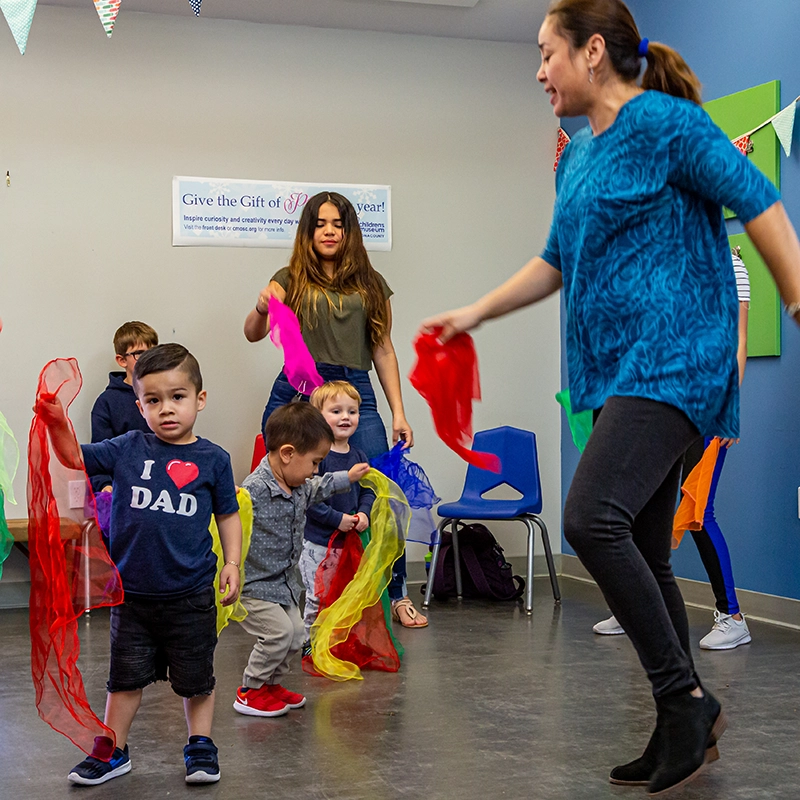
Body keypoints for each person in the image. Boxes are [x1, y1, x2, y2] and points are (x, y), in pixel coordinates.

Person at [420, 0, 800, 793]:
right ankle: (686, 720)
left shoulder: (666, 125)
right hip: (626, 373)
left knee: (589, 517)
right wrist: (474, 313)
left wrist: (796, 298)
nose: (538, 70)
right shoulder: (584, 156)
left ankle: (682, 699)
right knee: (649, 549)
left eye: (546, 52)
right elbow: (554, 260)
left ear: (593, 52)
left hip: (678, 362)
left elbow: (758, 196)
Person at [38, 343, 243, 785]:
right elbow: (74, 456)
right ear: (139, 405)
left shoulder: (214, 460)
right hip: (131, 596)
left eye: (177, 397)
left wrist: (233, 563)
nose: (166, 409)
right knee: (123, 680)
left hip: (189, 597)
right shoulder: (127, 447)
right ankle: (114, 749)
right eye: (153, 400)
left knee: (196, 679)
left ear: (199, 399)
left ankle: (200, 745)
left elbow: (227, 514)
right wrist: (58, 423)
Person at [243, 191, 427, 628]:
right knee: (276, 487)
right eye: (320, 224)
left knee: (381, 490)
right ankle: (270, 595)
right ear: (308, 232)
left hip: (352, 382)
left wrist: (398, 412)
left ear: (349, 231)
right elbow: (253, 333)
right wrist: (260, 304)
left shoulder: (371, 284)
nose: (329, 231)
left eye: (337, 224)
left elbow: (382, 348)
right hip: (298, 386)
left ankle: (395, 593)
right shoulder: (288, 277)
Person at [594, 249, 753, 650]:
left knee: (698, 511)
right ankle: (636, 605)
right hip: (664, 404)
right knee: (641, 511)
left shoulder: (730, 264)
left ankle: (732, 616)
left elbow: (738, 340)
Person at [233, 402, 370, 718]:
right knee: (278, 633)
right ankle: (250, 690)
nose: (315, 470)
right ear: (287, 453)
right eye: (314, 462)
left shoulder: (299, 484)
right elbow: (229, 517)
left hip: (284, 585)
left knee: (296, 635)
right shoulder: (255, 489)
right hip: (254, 586)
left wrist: (347, 476)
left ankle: (270, 684)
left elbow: (320, 486)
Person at [299, 381, 377, 655]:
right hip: (319, 544)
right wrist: (337, 519)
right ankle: (311, 641)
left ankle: (338, 639)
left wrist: (363, 513)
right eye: (336, 411)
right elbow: (309, 499)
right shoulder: (317, 458)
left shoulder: (358, 455)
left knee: (345, 592)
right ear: (318, 417)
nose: (346, 417)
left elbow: (368, 490)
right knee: (319, 596)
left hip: (349, 544)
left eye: (352, 411)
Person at [90, 321, 159, 493]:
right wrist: (105, 485)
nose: (149, 360)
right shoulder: (107, 402)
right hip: (124, 490)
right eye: (140, 354)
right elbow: (100, 454)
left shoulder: (164, 395)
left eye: (154, 353)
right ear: (122, 360)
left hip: (162, 486)